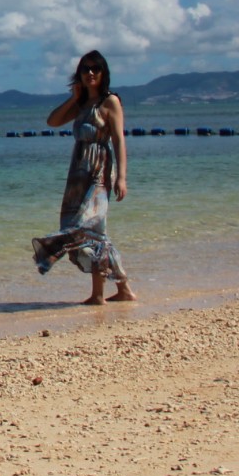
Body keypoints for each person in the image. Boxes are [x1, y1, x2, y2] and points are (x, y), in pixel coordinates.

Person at [32, 49, 136, 305]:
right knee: (80, 231)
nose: (90, 73)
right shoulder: (82, 105)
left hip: (99, 173)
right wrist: (74, 97)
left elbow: (119, 140)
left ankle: (99, 295)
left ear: (103, 73)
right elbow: (52, 121)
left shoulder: (110, 102)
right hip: (77, 175)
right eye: (85, 69)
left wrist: (121, 178)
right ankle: (122, 289)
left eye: (95, 69)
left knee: (90, 230)